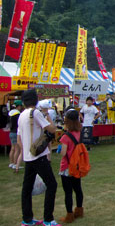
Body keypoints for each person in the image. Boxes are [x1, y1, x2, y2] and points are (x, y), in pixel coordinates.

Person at [18, 89, 60, 226]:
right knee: (52, 185)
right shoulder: (35, 113)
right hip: (39, 155)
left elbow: (19, 138)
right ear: (35, 100)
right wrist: (47, 114)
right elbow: (52, 129)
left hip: (28, 156)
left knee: (27, 188)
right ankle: (48, 219)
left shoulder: (22, 115)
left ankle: (27, 219)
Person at [58, 110, 84, 223]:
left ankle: (69, 215)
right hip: (77, 165)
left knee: (68, 192)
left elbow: (63, 153)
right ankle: (79, 210)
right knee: (78, 189)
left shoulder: (66, 136)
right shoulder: (79, 132)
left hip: (67, 166)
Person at [8, 100, 23, 171]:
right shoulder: (17, 114)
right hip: (16, 132)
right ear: (19, 106)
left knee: (12, 148)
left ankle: (11, 163)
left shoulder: (10, 113)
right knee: (17, 149)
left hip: (11, 132)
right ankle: (15, 163)